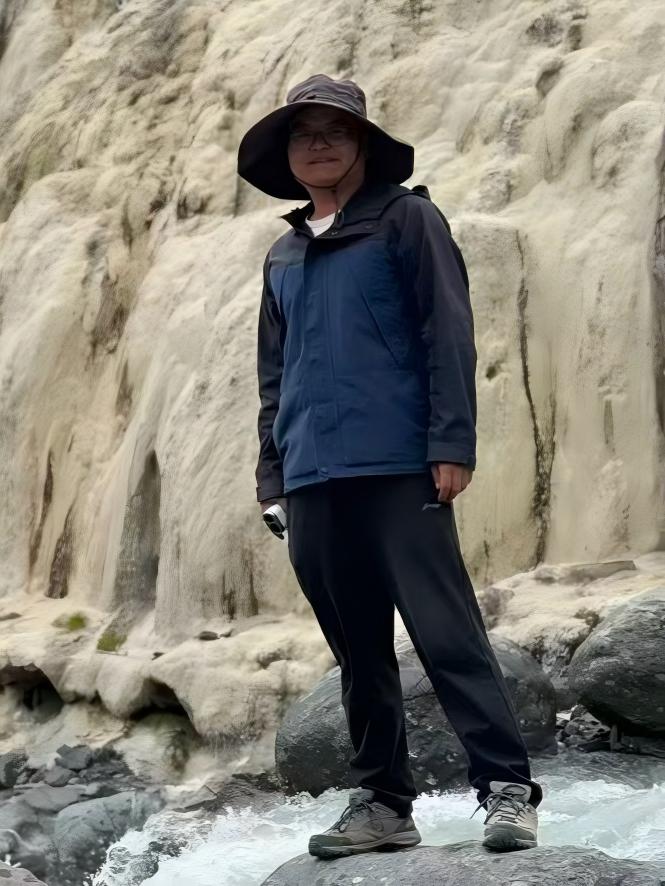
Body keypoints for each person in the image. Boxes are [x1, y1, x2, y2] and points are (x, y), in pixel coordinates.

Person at [237, 73, 543, 859]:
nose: (318, 145)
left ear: (363, 145)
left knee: (446, 633)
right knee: (358, 654)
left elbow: (447, 331)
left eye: (334, 132)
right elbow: (274, 376)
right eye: (302, 134)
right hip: (310, 476)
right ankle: (383, 803)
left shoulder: (408, 220)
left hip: (399, 464)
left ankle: (506, 789)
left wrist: (450, 443)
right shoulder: (282, 254)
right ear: (286, 154)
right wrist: (272, 476)